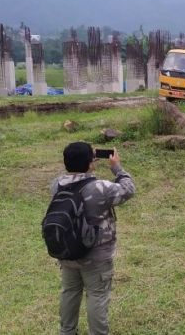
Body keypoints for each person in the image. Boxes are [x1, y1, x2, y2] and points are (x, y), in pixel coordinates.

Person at [53, 142, 135, 335]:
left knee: (70, 292)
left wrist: (84, 163)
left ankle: (67, 331)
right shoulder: (100, 188)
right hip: (96, 256)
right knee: (97, 295)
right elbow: (128, 189)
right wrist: (117, 168)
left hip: (68, 251)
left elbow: (71, 176)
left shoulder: (56, 184)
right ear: (91, 162)